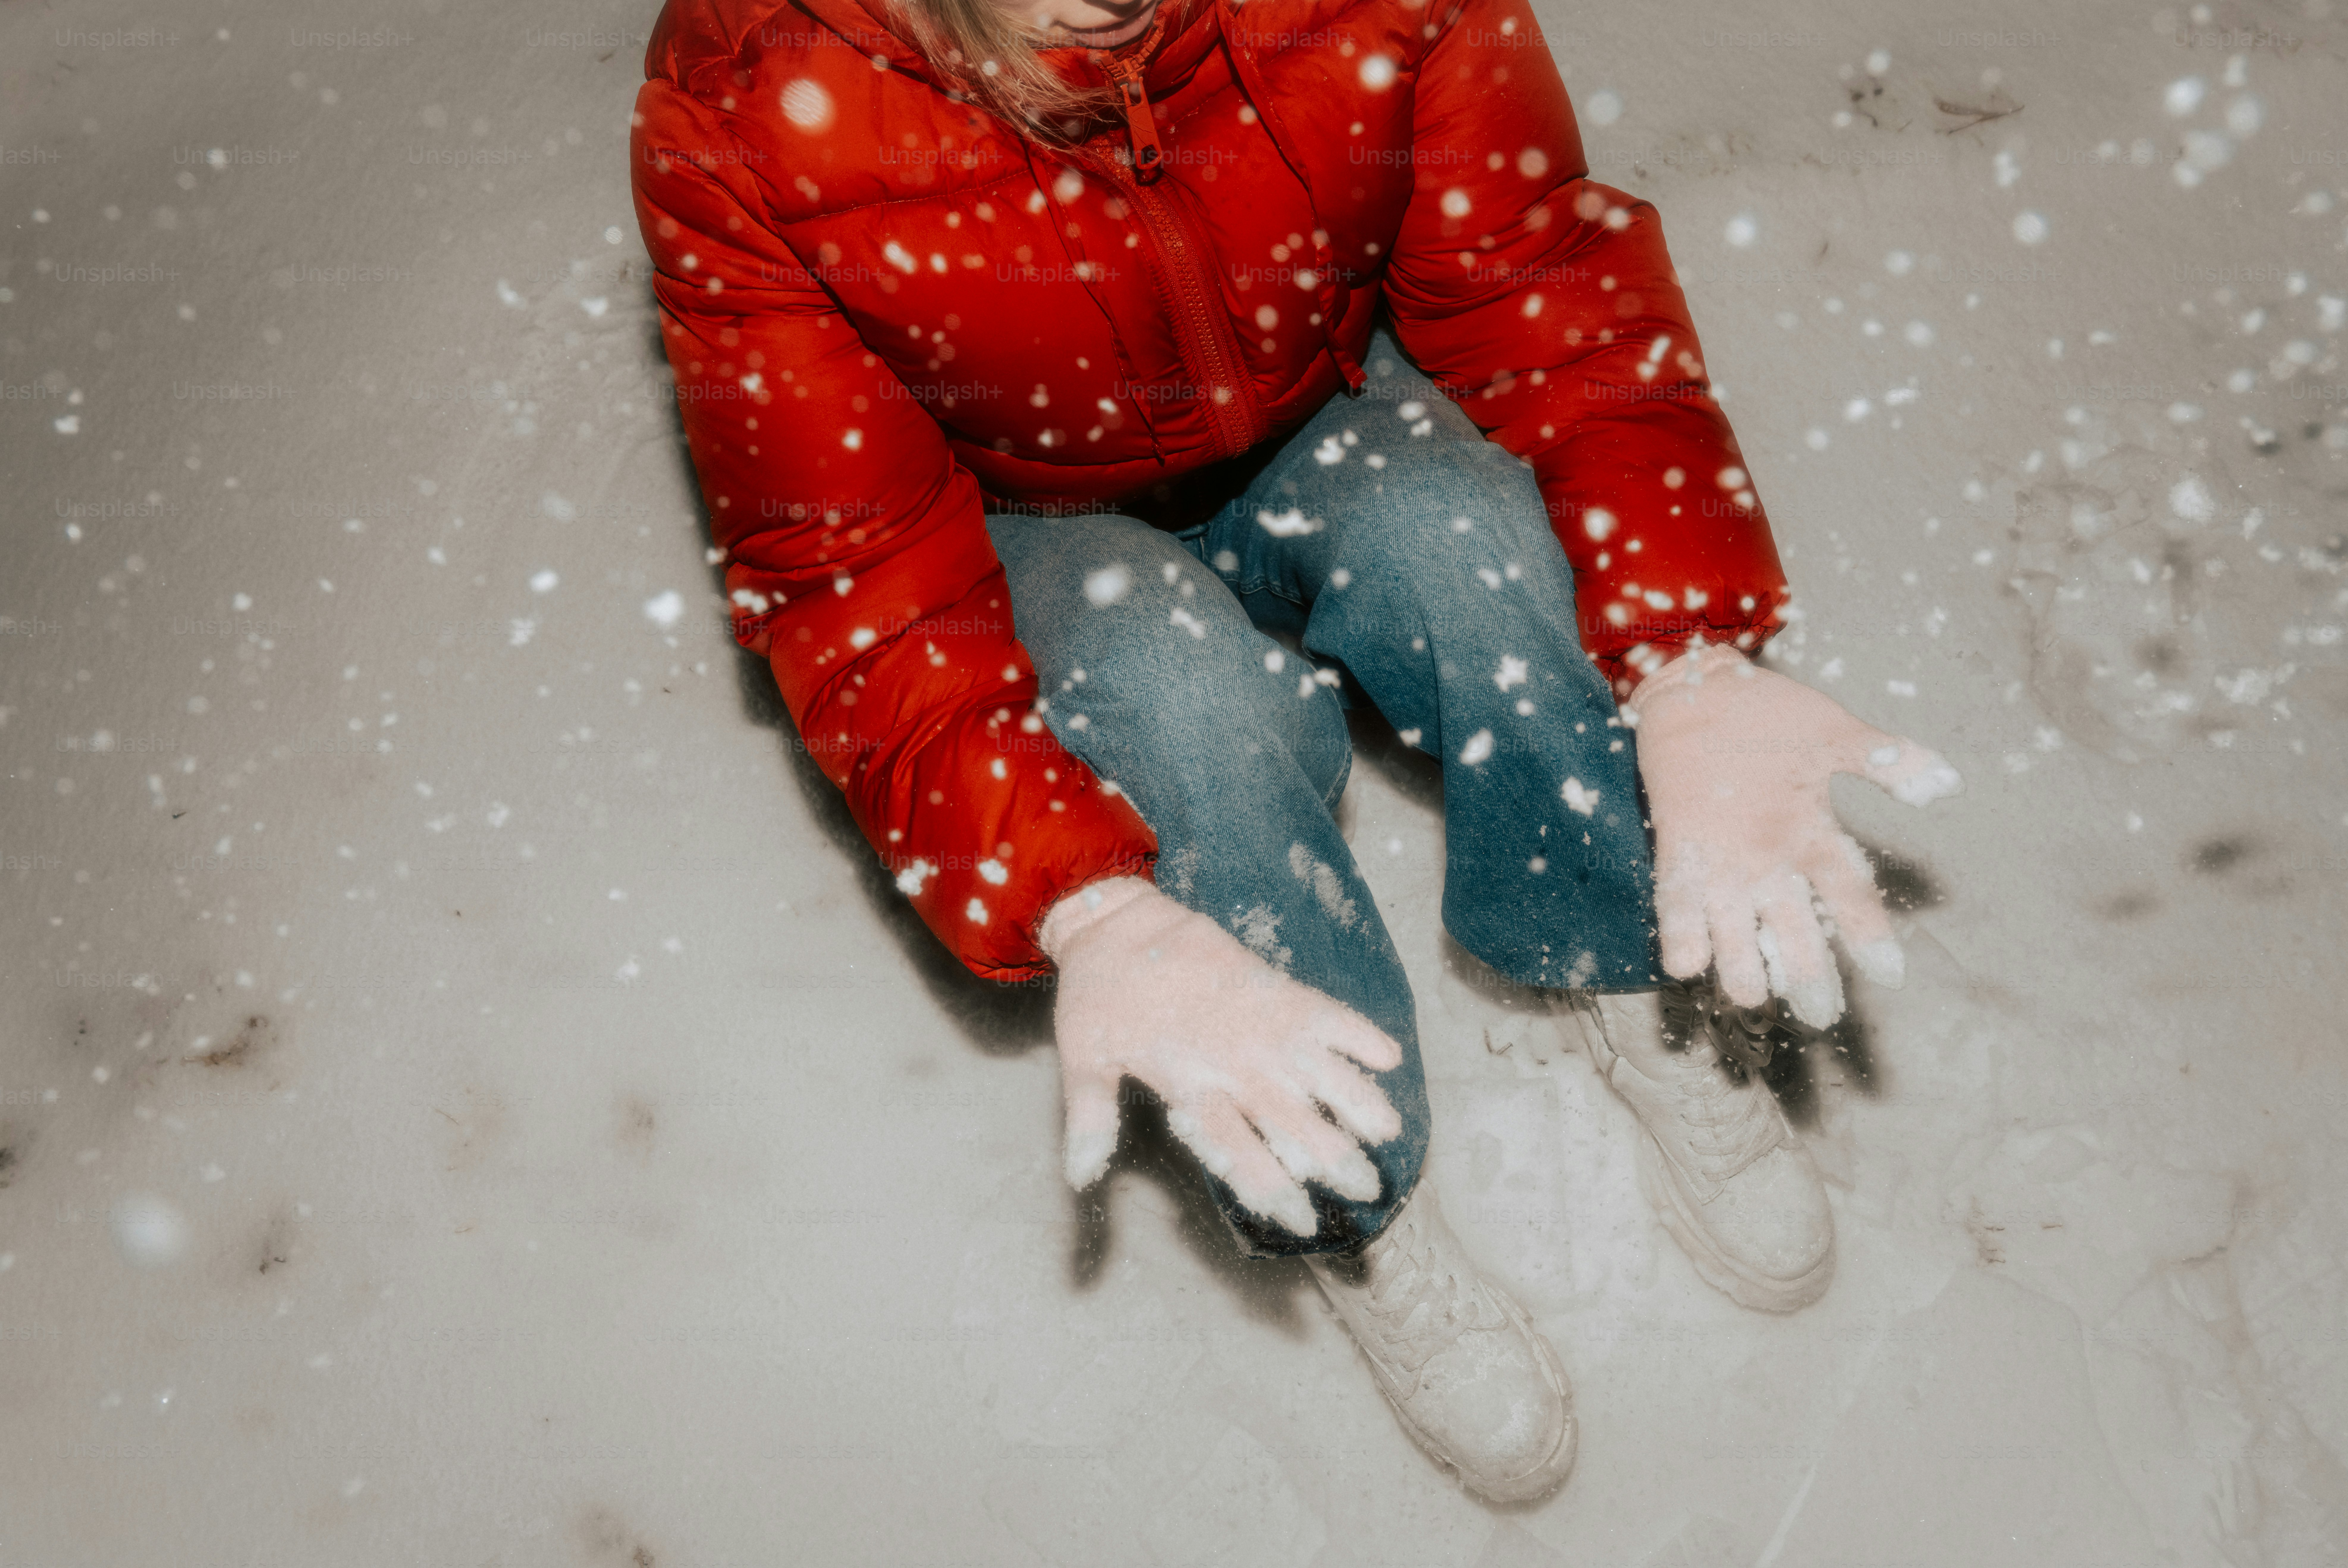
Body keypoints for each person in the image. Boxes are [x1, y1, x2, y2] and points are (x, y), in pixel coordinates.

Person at [630, 0, 1961, 1502]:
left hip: (1318, 391)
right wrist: (1094, 907)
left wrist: (1689, 654)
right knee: (1176, 700)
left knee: (1463, 543)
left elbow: (1539, 278)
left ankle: (1610, 941)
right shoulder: (753, 101)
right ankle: (1338, 1175)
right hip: (1021, 511)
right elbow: (853, 577)